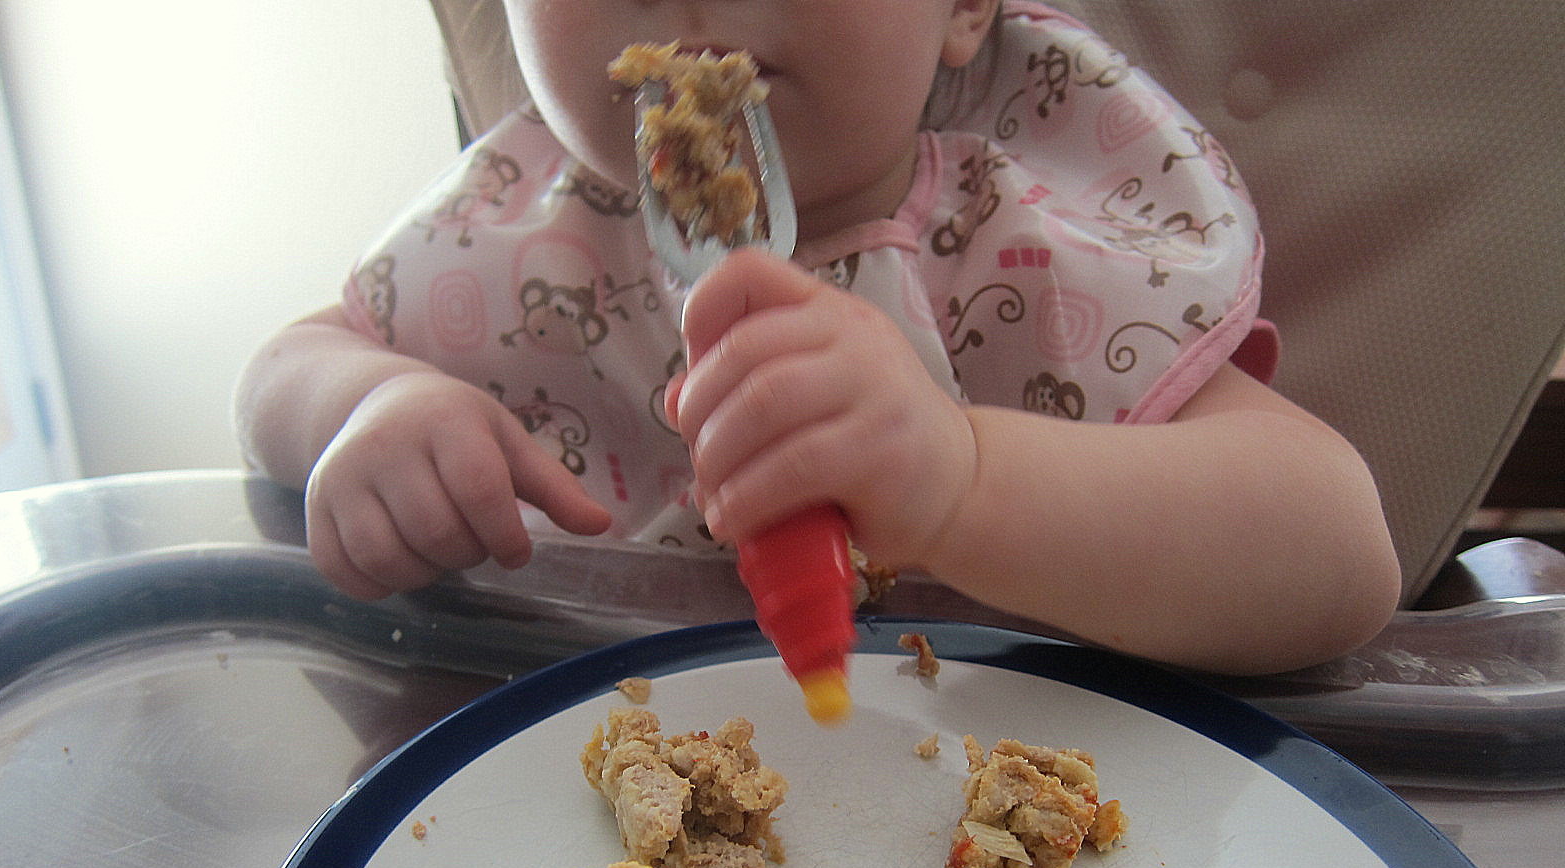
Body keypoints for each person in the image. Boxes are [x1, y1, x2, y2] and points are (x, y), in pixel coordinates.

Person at [235, 0, 1401, 677]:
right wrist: (370, 407)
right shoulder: (518, 233)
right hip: (584, 801)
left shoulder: (1027, 257)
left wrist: (963, 480)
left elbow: (1335, 553)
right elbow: (284, 368)